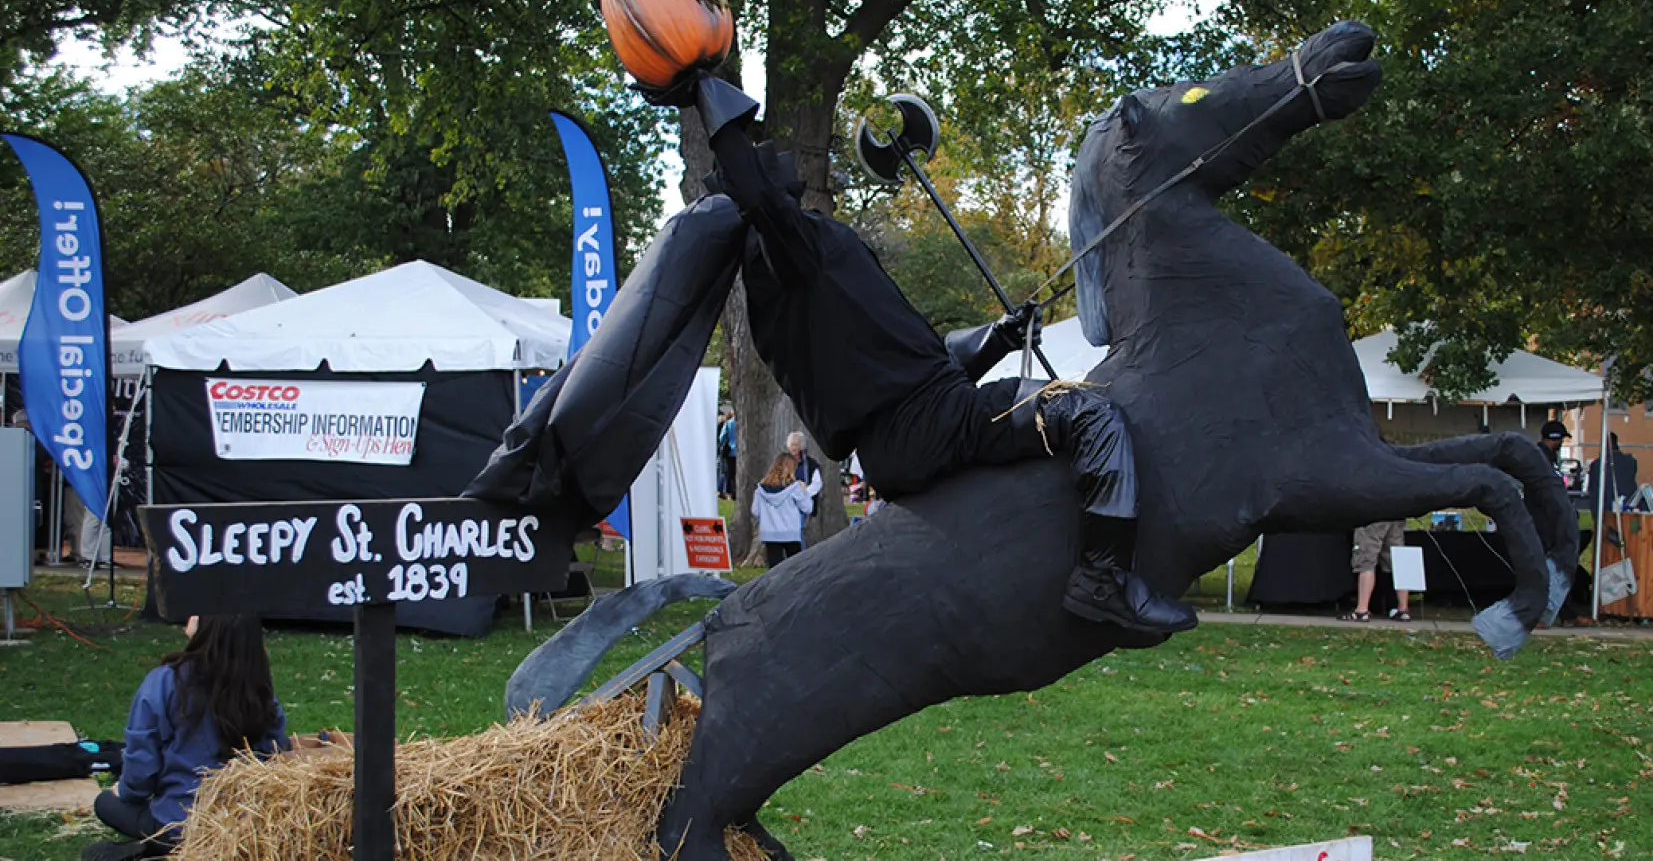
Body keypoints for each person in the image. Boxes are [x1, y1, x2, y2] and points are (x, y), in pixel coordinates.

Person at [469, 74, 1196, 636]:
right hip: (922, 428)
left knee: (1045, 405)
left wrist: (997, 339)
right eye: (768, 167)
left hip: (915, 423)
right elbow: (757, 193)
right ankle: (1104, 581)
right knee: (1086, 412)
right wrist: (703, 88)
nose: (783, 165)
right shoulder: (793, 256)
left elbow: (913, 365)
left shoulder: (802, 286)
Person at [83, 615, 289, 860]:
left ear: (207, 628)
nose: (190, 617)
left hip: (178, 823)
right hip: (243, 827)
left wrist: (125, 791)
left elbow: (141, 765)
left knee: (105, 803)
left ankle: (164, 849)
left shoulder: (165, 681)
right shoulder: (258, 688)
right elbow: (276, 755)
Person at [1337, 519, 1411, 623]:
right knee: (1398, 559)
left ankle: (1362, 610)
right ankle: (1403, 609)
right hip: (1397, 513)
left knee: (1366, 560)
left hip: (1373, 516)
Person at [753, 452, 814, 567]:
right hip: (790, 533)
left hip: (770, 533)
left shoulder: (761, 489)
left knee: (774, 568)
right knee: (795, 567)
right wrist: (804, 492)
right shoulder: (794, 488)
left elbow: (755, 511)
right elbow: (808, 508)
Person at [1585, 432, 1639, 517]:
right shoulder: (1630, 462)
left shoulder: (1597, 465)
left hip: (1605, 512)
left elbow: (1593, 493)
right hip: (1628, 510)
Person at [786, 431, 822, 523]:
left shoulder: (811, 464)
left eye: (796, 445)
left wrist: (804, 494)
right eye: (792, 445)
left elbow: (817, 484)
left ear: (801, 446)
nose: (794, 448)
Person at [716, 411, 737, 499]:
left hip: (730, 451)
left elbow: (721, 437)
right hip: (740, 452)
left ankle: (729, 492)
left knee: (729, 473)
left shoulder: (729, 423)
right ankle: (736, 491)